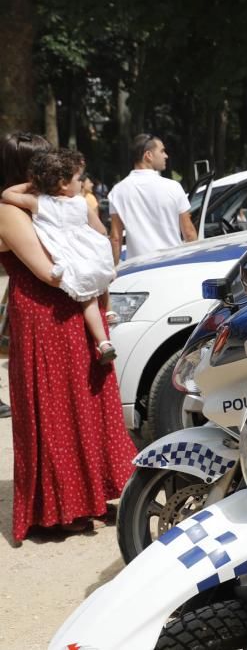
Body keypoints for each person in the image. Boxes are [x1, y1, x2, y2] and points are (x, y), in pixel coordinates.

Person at [0, 132, 136, 543]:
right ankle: (62, 508)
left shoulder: (57, 204)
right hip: (46, 316)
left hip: (75, 308)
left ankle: (94, 493)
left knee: (89, 402)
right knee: (59, 410)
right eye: (42, 164)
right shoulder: (10, 210)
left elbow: (94, 236)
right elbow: (46, 270)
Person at [2, 149, 117, 362]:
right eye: (78, 178)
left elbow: (7, 195)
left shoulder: (39, 204)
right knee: (98, 286)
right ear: (64, 184)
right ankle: (108, 317)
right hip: (89, 258)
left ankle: (103, 343)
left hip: (67, 263)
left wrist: (32, 185)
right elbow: (101, 230)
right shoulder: (81, 203)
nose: (82, 182)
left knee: (87, 299)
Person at [108, 133, 196, 264]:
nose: (166, 155)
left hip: (138, 269)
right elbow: (189, 233)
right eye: (162, 151)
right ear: (148, 155)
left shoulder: (117, 192)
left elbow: (116, 238)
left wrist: (113, 270)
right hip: (173, 264)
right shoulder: (173, 187)